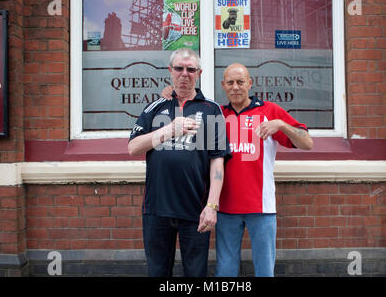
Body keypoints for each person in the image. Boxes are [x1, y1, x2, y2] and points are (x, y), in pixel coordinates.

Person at [161, 63, 313, 277]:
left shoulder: (269, 111)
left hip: (261, 208)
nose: (235, 87)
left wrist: (281, 124)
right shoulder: (217, 114)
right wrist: (172, 94)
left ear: (250, 83)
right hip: (225, 209)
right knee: (225, 272)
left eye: (240, 82)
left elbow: (307, 143)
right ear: (223, 85)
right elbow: (187, 119)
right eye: (230, 82)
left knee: (264, 270)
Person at [128, 48, 230, 277]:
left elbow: (217, 162)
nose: (185, 74)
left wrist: (212, 206)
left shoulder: (211, 110)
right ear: (170, 71)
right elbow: (133, 147)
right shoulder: (155, 108)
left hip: (195, 211)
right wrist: (168, 130)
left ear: (199, 73)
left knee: (195, 273)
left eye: (190, 69)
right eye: (179, 69)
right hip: (156, 210)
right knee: (157, 272)